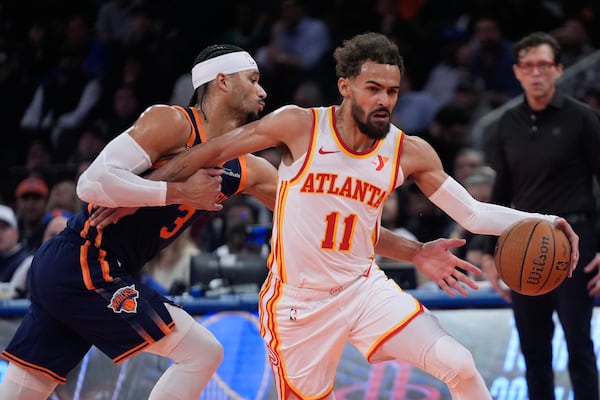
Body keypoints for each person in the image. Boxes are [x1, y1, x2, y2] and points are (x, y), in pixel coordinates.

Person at [0, 43, 480, 400]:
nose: (263, 90)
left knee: (26, 388)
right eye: (253, 79)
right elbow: (91, 183)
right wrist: (175, 191)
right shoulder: (171, 122)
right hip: (85, 262)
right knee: (202, 353)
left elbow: (340, 228)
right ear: (222, 80)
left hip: (85, 271)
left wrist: (414, 251)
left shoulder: (247, 167)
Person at [154, 32, 579, 399]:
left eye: (392, 92)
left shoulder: (408, 151)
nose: (384, 101)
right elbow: (212, 151)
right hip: (297, 303)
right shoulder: (299, 126)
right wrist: (147, 189)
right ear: (345, 86)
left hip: (363, 288)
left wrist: (545, 221)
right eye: (373, 88)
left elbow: (472, 212)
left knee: (461, 364)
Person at [481, 31, 600, 400]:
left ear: (559, 69)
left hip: (575, 239)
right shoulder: (505, 125)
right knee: (534, 351)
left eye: (544, 65)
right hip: (524, 239)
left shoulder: (583, 119)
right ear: (516, 72)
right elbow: (501, 191)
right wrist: (488, 252)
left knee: (580, 346)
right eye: (528, 66)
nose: (536, 73)